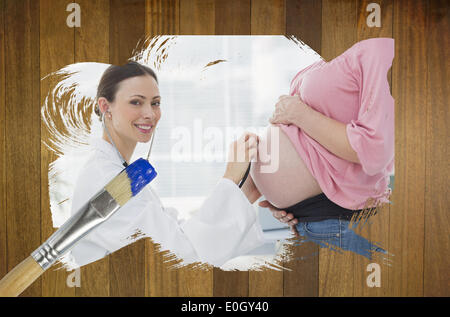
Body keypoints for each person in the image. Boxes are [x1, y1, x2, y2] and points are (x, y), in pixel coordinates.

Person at [68, 61, 264, 268]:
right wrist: (230, 178)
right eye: (136, 102)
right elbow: (179, 255)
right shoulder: (104, 178)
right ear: (105, 107)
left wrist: (246, 192)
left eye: (155, 103)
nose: (150, 114)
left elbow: (174, 232)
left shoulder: (119, 171)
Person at [242, 38, 394, 259]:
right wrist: (284, 201)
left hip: (338, 222)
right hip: (312, 222)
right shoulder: (337, 48)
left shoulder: (378, 48)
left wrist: (298, 114)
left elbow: (375, 148)